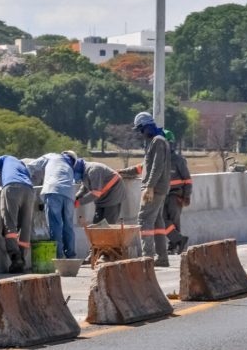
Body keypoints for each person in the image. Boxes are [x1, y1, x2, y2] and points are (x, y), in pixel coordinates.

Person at [121, 112, 171, 267]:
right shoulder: (155, 142)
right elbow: (145, 167)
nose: (141, 134)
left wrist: (149, 186)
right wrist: (123, 172)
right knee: (156, 221)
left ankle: (147, 258)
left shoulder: (158, 141)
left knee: (144, 220)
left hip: (154, 188)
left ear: (147, 127)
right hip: (158, 188)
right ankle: (162, 258)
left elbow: (157, 166)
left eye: (141, 130)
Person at [0, 155, 35, 273]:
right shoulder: (21, 167)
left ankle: (15, 258)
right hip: (29, 190)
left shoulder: (5, 159)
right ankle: (22, 257)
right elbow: (1, 178)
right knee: (25, 225)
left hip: (12, 188)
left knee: (10, 223)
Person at [27, 151, 78, 259]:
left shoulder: (51, 156)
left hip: (53, 191)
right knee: (68, 225)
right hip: (69, 194)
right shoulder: (69, 166)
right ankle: (71, 255)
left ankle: (59, 256)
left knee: (55, 224)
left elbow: (31, 166)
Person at [163, 130, 193, 254]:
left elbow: (187, 179)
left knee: (174, 221)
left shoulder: (178, 160)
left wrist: (186, 196)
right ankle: (179, 240)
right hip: (162, 195)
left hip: (175, 195)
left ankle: (174, 245)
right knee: (161, 219)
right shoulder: (159, 160)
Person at [75, 160, 125, 225]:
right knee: (97, 223)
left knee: (108, 223)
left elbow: (95, 193)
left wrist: (79, 202)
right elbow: (85, 186)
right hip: (102, 195)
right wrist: (77, 196)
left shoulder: (93, 171)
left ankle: (108, 234)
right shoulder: (85, 172)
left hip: (114, 192)